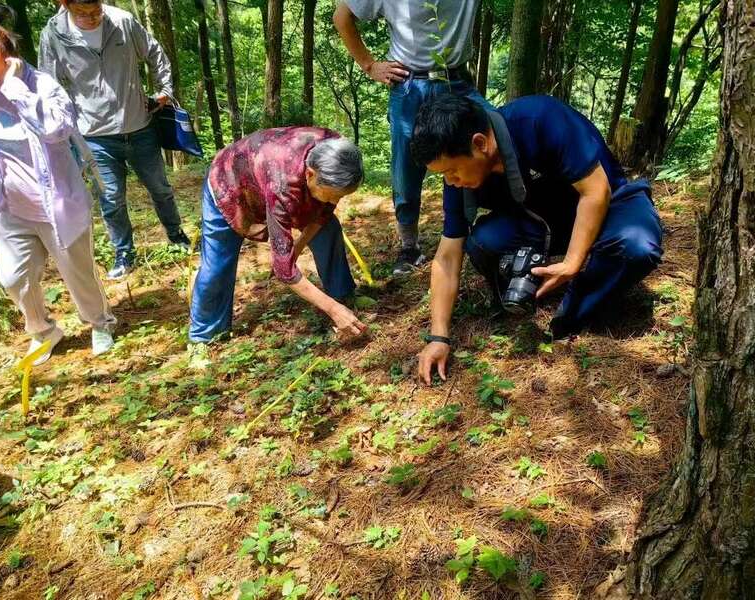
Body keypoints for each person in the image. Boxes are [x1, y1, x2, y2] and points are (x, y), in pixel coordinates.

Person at [410, 94, 663, 384]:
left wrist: (572, 262)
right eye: (443, 175)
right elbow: (447, 255)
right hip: (542, 221)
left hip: (610, 203)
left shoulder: (539, 120)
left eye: (452, 171)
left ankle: (572, 313)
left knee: (636, 247)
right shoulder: (458, 179)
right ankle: (527, 294)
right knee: (482, 241)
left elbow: (596, 192)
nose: (450, 181)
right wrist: (439, 336)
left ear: (480, 144)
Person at [0, 5, 115, 365]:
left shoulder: (40, 83)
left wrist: (15, 91)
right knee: (12, 277)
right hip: (12, 208)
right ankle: (43, 331)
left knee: (79, 273)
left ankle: (99, 321)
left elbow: (58, 129)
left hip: (58, 204)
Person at [334, 0, 489, 275]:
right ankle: (409, 247)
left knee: (495, 135)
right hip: (409, 86)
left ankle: (473, 232)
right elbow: (342, 16)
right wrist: (369, 65)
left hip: (456, 81)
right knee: (406, 165)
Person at [38, 0, 190, 280]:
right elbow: (48, 86)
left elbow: (156, 53)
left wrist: (164, 91)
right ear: (65, 5)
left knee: (160, 188)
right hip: (94, 136)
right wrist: (61, 128)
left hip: (140, 127)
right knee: (111, 199)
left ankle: (175, 233)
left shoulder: (122, 22)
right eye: (83, 13)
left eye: (96, 9)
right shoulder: (53, 35)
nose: (93, 17)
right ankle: (124, 253)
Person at [189, 127, 369, 348]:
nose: (334, 202)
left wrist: (294, 251)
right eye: (332, 195)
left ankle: (342, 294)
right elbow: (284, 271)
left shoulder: (338, 153)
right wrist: (331, 310)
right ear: (310, 174)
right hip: (229, 183)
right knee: (217, 264)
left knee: (328, 228)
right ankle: (204, 338)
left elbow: (322, 215)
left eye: (340, 196)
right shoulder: (283, 184)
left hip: (269, 173)